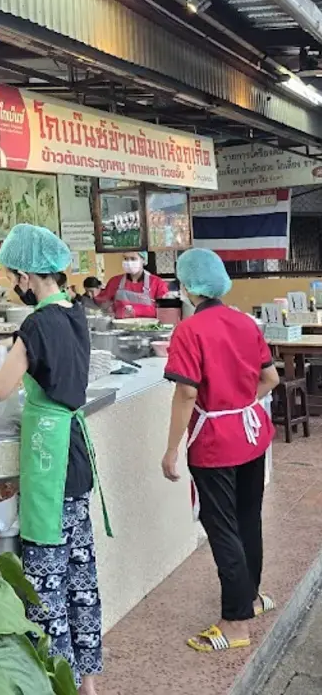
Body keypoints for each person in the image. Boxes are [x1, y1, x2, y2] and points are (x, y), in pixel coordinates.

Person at [0, 225, 108, 694]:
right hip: (76, 452)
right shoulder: (75, 311)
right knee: (82, 574)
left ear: (25, 274)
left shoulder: (35, 325)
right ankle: (89, 682)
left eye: (12, 274)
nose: (11, 282)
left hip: (47, 457)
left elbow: (0, 389)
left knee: (46, 582)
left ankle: (56, 683)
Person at [161, 248, 278, 654]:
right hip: (252, 434)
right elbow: (271, 378)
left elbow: (186, 394)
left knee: (222, 527)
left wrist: (172, 449)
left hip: (214, 443)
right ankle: (254, 599)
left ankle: (236, 624)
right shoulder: (245, 322)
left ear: (190, 288)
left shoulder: (189, 331)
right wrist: (241, 402)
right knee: (248, 519)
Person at [97, 251, 168, 319]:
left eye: (133, 259)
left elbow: (164, 311)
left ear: (143, 260)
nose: (128, 262)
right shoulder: (114, 281)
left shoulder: (157, 283)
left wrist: (137, 310)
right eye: (125, 259)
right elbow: (104, 304)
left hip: (148, 328)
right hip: (121, 327)